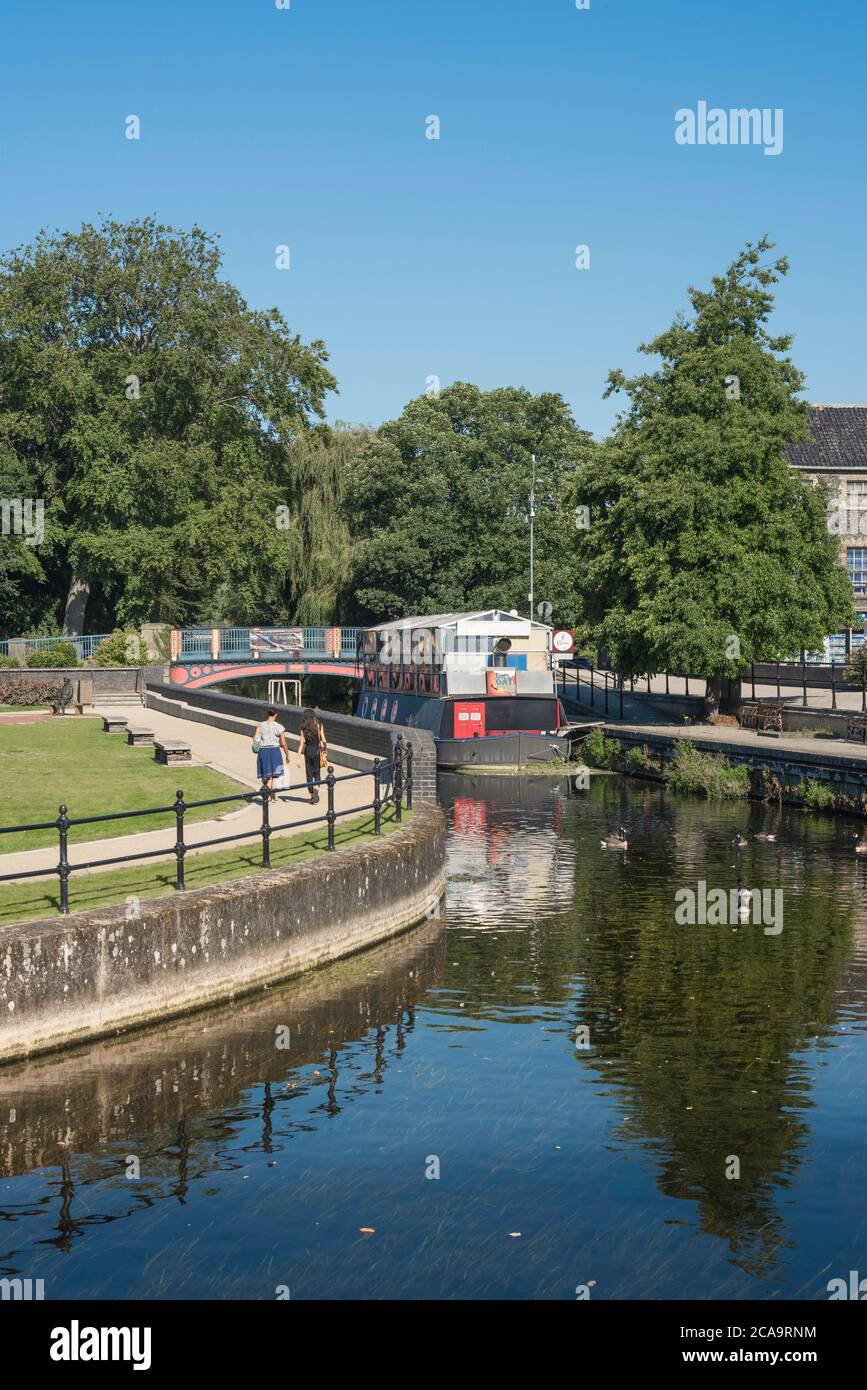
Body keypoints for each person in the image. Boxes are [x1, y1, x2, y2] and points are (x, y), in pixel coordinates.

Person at [253, 708, 290, 801]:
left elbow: (255, 738)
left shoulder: (260, 725)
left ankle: (271, 794)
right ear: (276, 715)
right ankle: (266, 794)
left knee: (266, 773)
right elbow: (283, 743)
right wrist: (287, 754)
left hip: (263, 751)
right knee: (271, 774)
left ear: (267, 714)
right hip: (274, 751)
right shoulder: (279, 727)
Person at [297, 708, 328, 804]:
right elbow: (324, 741)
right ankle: (316, 789)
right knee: (317, 772)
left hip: (308, 750)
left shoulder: (303, 727)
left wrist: (298, 757)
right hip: (317, 750)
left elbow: (301, 743)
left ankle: (311, 795)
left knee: (309, 772)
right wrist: (325, 751)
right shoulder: (319, 725)